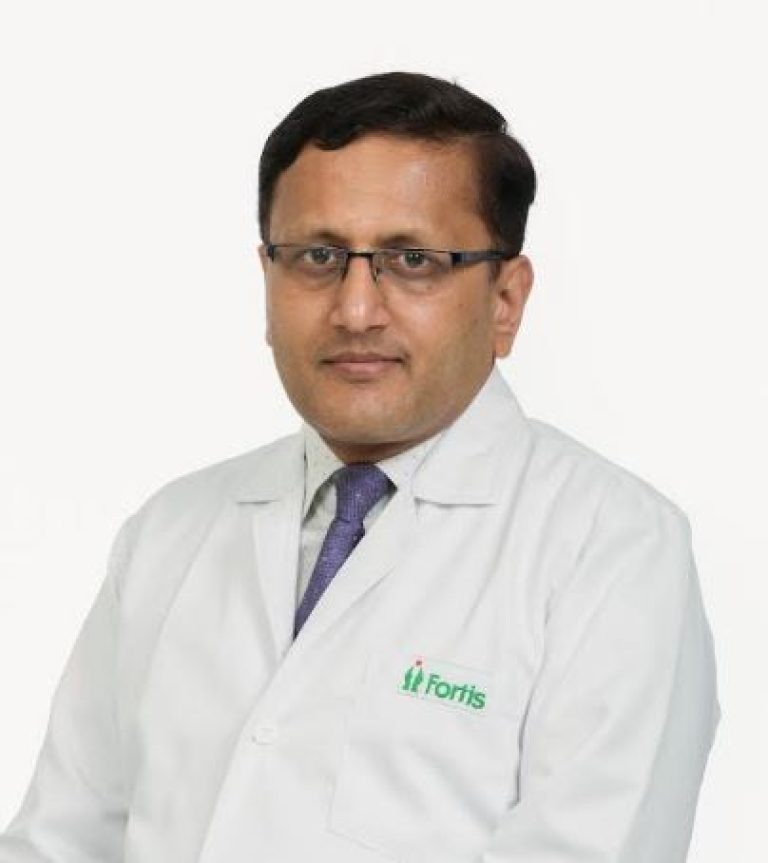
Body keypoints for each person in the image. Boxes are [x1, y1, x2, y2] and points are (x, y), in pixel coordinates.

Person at [0, 71, 720, 863]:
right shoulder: (171, 531)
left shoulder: (613, 548)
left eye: (412, 259)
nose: (355, 309)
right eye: (318, 256)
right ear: (266, 278)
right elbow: (60, 840)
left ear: (506, 300)